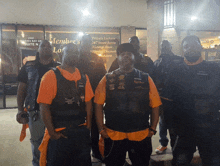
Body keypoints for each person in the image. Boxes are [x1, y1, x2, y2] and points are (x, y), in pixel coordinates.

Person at [95, 43, 161, 166]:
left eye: (129, 54)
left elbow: (156, 105)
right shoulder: (107, 79)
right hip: (114, 134)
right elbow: (98, 105)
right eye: (122, 54)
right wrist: (100, 129)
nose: (126, 56)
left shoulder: (146, 78)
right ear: (117, 58)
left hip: (140, 134)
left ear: (134, 57)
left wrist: (152, 129)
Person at [161, 35, 220, 165]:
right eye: (187, 46)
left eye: (194, 45)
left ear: (200, 47)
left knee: (213, 162)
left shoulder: (215, 69)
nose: (190, 49)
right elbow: (167, 101)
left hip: (210, 128)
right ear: (183, 50)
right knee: (180, 162)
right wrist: (171, 127)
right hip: (183, 129)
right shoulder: (175, 71)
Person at [37, 43, 94, 166]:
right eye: (70, 52)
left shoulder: (84, 78)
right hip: (60, 132)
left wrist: (88, 126)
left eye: (76, 52)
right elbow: (44, 106)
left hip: (80, 131)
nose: (74, 55)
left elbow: (88, 103)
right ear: (62, 54)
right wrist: (52, 133)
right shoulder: (50, 76)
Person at [16, 40, 60, 166]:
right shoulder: (28, 67)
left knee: (54, 141)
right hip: (35, 112)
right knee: (37, 143)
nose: (46, 48)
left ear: (53, 50)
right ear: (38, 50)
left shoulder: (59, 68)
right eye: (43, 46)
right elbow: (21, 90)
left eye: (49, 46)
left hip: (55, 112)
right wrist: (20, 110)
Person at [78, 34, 106, 161]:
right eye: (85, 41)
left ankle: (95, 151)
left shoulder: (96, 58)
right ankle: (81, 153)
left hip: (95, 98)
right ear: (81, 42)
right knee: (80, 126)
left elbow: (103, 77)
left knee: (95, 126)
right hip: (77, 99)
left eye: (89, 42)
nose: (87, 44)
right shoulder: (75, 58)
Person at [153, 40, 183, 154]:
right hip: (162, 99)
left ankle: (176, 145)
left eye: (166, 45)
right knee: (163, 122)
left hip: (177, 98)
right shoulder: (157, 62)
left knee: (176, 123)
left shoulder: (179, 60)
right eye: (162, 46)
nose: (164, 48)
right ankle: (163, 143)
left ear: (171, 46)